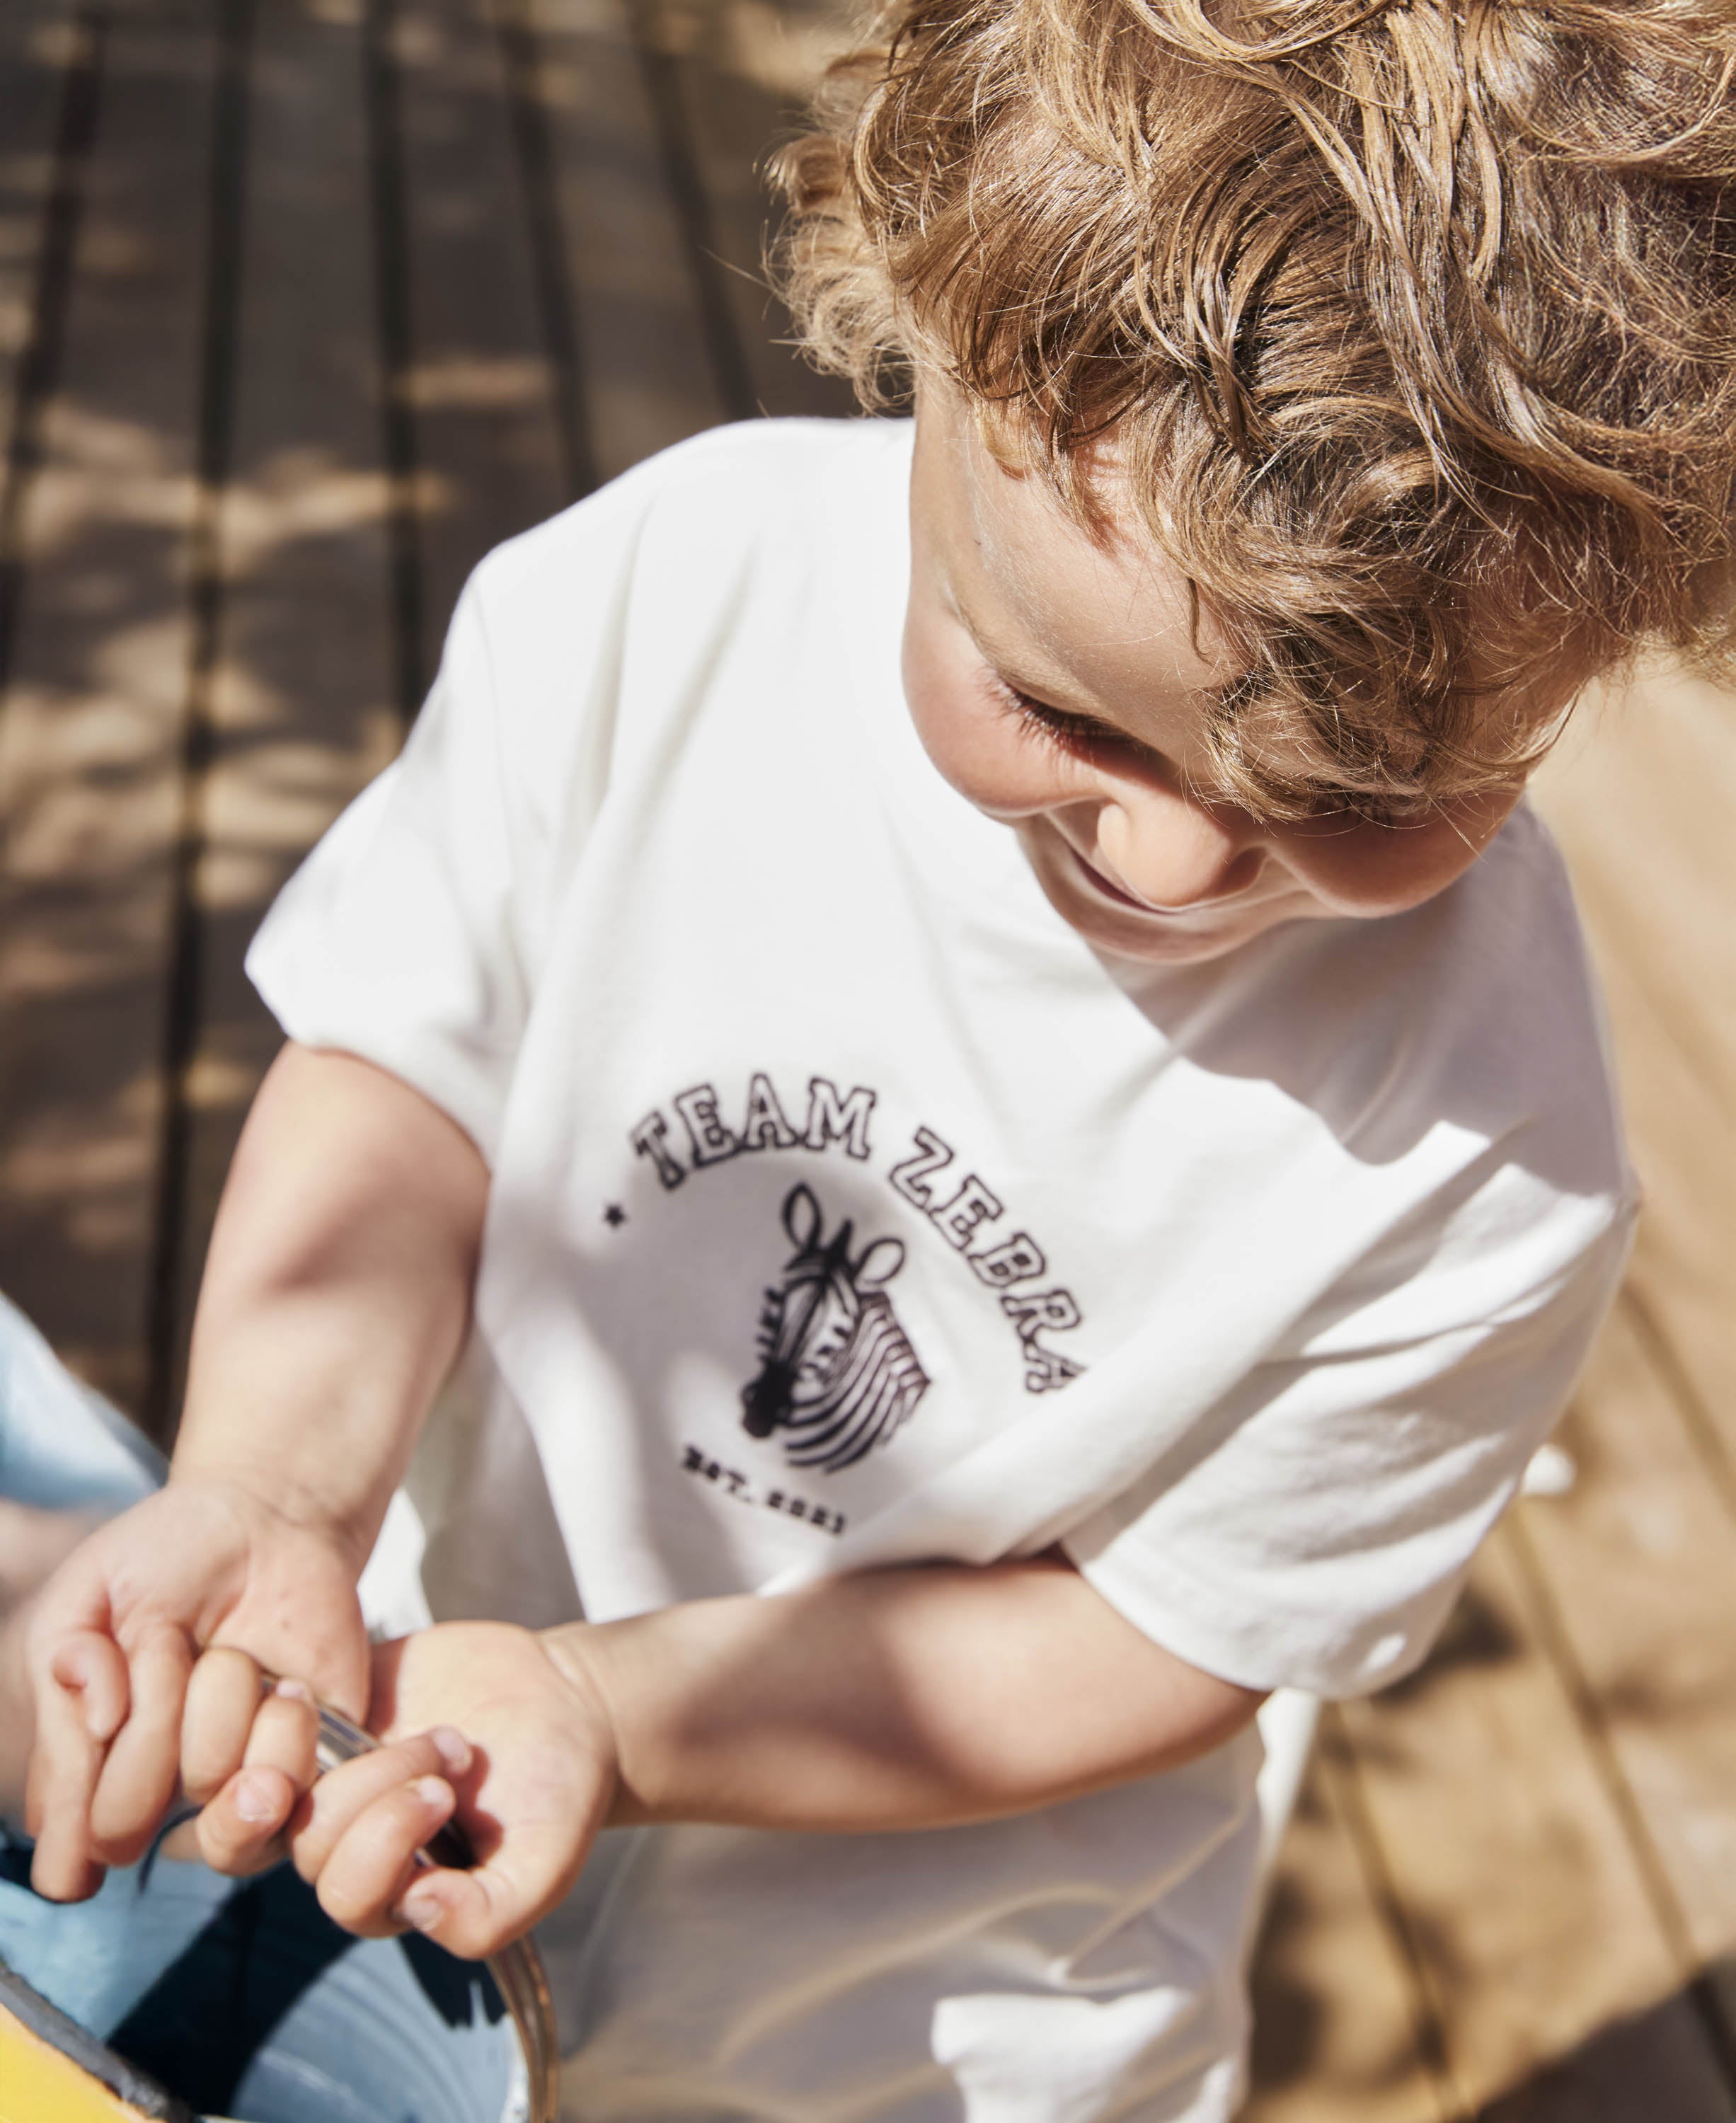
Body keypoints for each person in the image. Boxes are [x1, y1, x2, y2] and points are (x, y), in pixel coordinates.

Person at [21, 0, 1735, 2115]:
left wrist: (620, 1711)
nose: (1191, 854)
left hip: (937, 2047)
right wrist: (273, 1488)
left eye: (1373, 784)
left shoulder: (1493, 1145)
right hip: (389, 1799)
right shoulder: (669, 602)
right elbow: (405, 1082)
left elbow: (1167, 1636)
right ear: (911, 323)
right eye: (1074, 717)